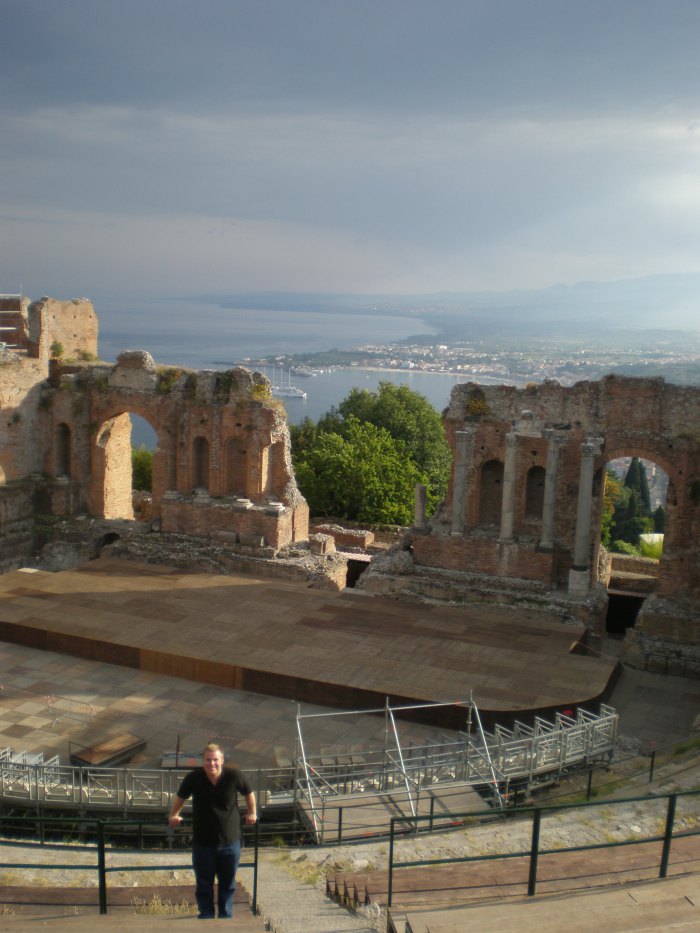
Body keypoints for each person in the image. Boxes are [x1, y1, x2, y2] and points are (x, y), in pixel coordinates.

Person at [168, 743, 257, 920]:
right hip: (203, 843)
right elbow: (181, 797)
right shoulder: (194, 778)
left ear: (222, 760)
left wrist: (252, 812)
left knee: (227, 884)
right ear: (203, 761)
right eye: (208, 760)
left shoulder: (234, 776)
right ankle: (206, 917)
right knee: (204, 884)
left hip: (230, 842)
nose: (212, 764)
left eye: (215, 760)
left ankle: (225, 917)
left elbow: (249, 793)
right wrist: (174, 815)